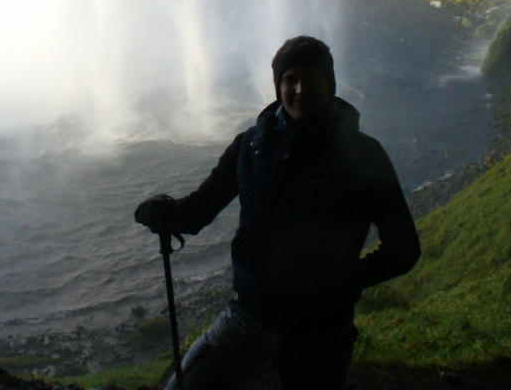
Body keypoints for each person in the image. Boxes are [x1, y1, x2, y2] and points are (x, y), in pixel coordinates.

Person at [135, 36, 421, 390]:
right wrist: (166, 213)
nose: (300, 90)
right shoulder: (251, 146)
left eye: (312, 78)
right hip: (250, 314)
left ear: (329, 84)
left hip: (321, 328)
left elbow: (404, 248)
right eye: (290, 79)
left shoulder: (363, 155)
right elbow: (199, 211)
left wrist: (341, 283)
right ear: (278, 86)